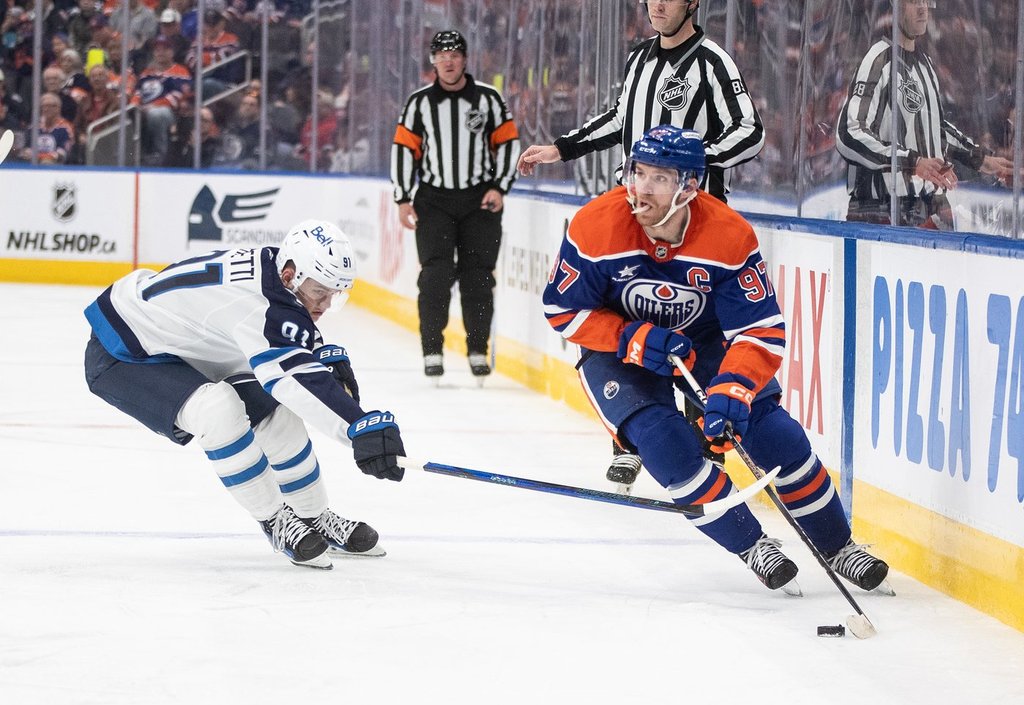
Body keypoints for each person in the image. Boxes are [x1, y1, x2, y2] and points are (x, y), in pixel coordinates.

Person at [542, 125, 891, 594]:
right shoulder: (595, 225)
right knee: (663, 442)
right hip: (619, 348)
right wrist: (632, 336)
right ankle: (753, 547)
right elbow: (563, 309)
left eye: (659, 178)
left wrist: (734, 386)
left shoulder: (728, 235)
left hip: (702, 342)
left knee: (771, 432)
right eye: (637, 171)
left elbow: (759, 329)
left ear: (689, 186)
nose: (640, 187)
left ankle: (838, 546)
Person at [520, 0, 764, 492]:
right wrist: (562, 148)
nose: (655, 4)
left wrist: (688, 165)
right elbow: (619, 118)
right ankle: (631, 439)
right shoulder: (639, 58)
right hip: (635, 220)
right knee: (631, 323)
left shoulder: (712, 61)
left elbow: (749, 131)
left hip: (693, 230)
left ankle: (703, 442)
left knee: (696, 335)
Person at [82, 220, 408, 569]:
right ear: (290, 275)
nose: (326, 305)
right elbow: (291, 377)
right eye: (319, 293)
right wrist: (358, 428)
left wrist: (315, 351)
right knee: (218, 410)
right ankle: (275, 520)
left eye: (334, 295)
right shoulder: (260, 305)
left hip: (183, 344)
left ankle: (313, 516)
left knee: (277, 416)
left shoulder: (275, 273)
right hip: (122, 353)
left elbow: (282, 332)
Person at [390, 29, 521, 379]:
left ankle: (478, 349)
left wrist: (500, 187)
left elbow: (508, 144)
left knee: (478, 278)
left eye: (454, 53)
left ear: (464, 59)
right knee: (434, 276)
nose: (448, 60)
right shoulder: (419, 103)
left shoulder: (489, 99)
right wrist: (403, 197)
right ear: (433, 60)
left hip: (480, 199)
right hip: (434, 200)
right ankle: (432, 349)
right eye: (441, 54)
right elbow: (404, 150)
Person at [836, 0, 1014, 229]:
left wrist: (979, 159)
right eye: (912, 1)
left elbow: (935, 129)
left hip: (924, 208)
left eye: (926, 1)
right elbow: (848, 135)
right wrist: (912, 162)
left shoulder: (925, 65)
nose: (922, 8)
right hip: (880, 211)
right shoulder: (878, 60)